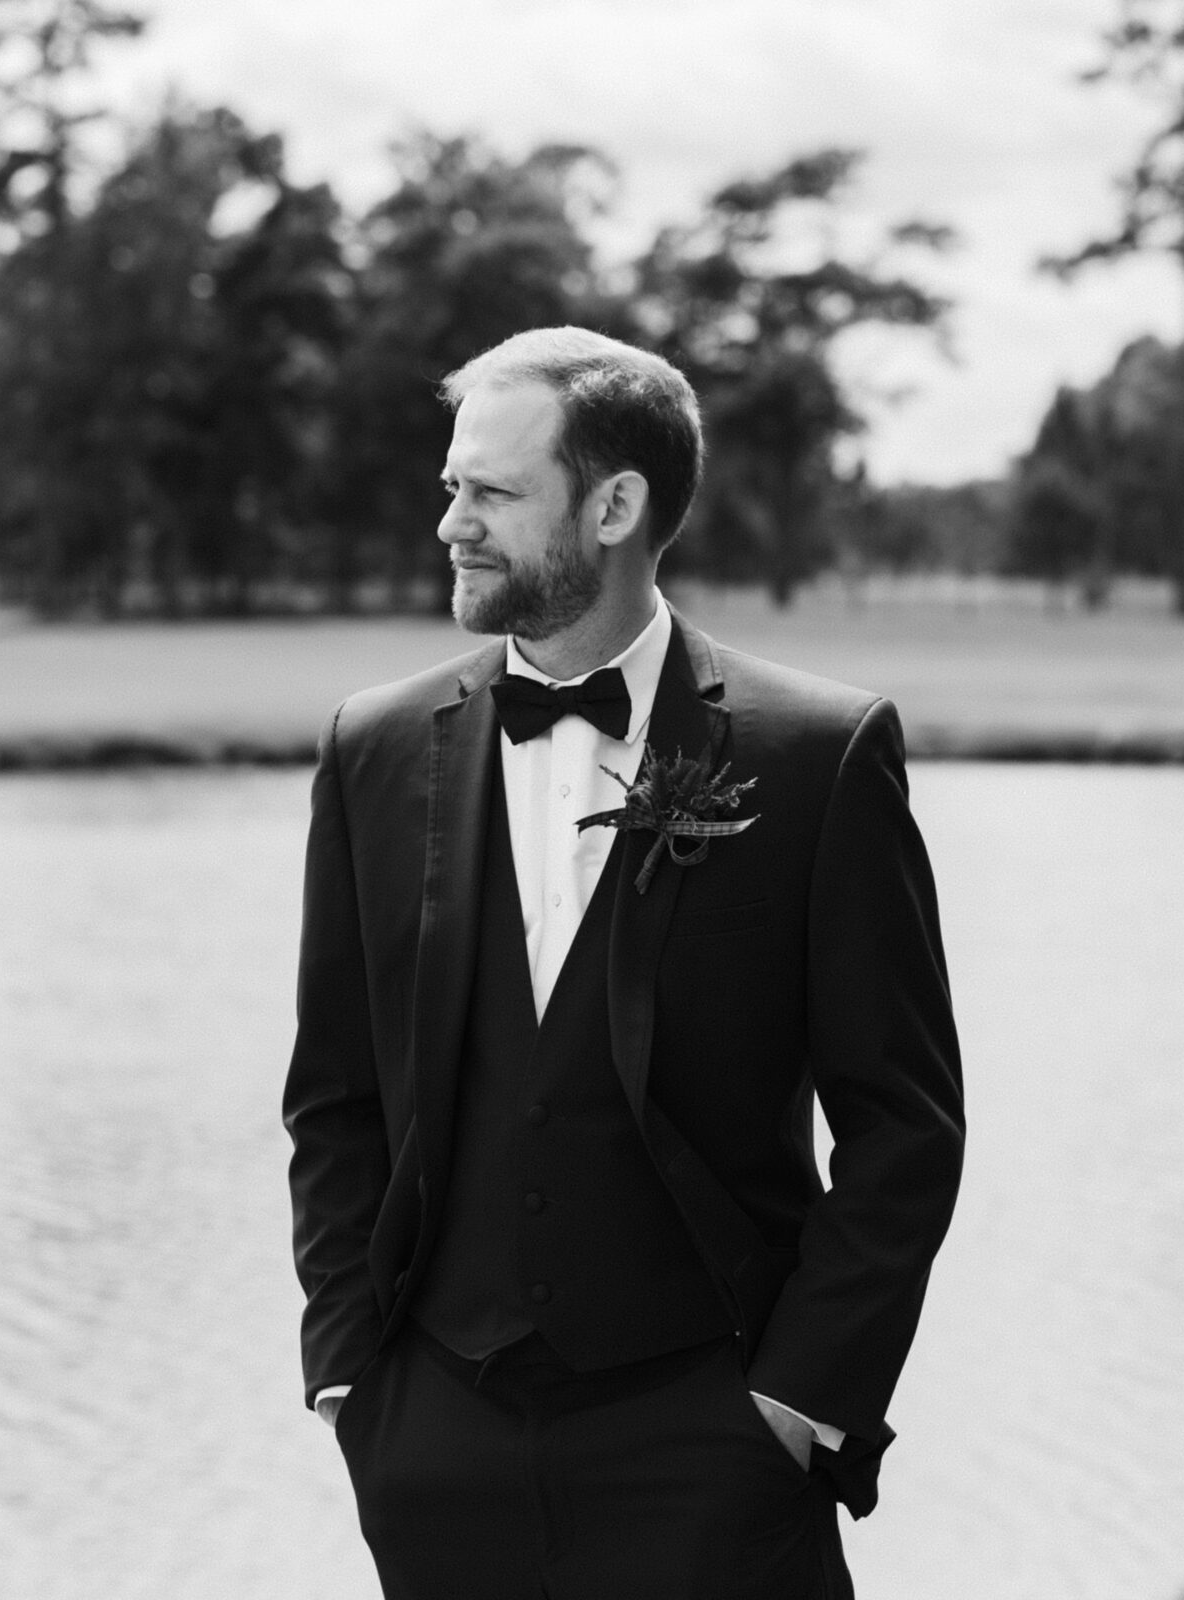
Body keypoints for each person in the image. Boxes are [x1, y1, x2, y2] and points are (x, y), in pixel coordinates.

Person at [282, 326, 964, 1598]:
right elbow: (334, 1095)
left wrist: (798, 1402)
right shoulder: (371, 750)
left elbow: (903, 1125)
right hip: (439, 1448)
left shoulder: (816, 756)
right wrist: (349, 1373)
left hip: (712, 1450)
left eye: (488, 492)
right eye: (449, 488)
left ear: (613, 504)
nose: (448, 524)